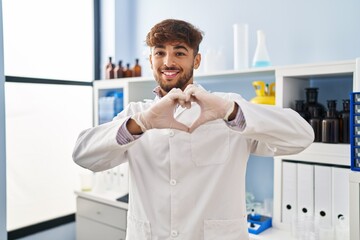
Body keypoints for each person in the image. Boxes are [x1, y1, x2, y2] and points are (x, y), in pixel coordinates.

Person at [73, 19, 314, 240]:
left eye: (179, 52)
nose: (168, 62)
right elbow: (83, 154)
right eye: (159, 53)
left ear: (196, 60)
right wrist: (143, 123)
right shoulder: (136, 113)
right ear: (150, 61)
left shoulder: (227, 106)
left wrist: (230, 111)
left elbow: (302, 136)